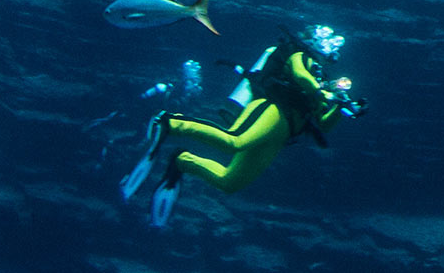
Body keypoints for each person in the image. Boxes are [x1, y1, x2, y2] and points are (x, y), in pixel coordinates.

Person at [122, 32, 362, 226]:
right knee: (234, 140)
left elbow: (324, 125)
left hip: (281, 135)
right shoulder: (299, 54)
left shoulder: (322, 84)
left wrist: (342, 106)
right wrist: (325, 92)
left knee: (230, 182)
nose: (333, 51)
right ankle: (169, 122)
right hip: (272, 109)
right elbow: (299, 76)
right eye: (330, 45)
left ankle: (181, 161)